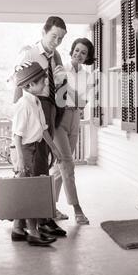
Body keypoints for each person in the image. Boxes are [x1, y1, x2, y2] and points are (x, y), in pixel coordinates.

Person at [14, 16, 68, 236]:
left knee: (44, 164)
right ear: (43, 32)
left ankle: (43, 217)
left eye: (61, 38)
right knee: (35, 167)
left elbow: (61, 86)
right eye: (54, 35)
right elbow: (19, 83)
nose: (57, 41)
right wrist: (17, 112)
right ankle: (37, 221)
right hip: (33, 105)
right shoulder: (29, 53)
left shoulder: (56, 56)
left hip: (49, 106)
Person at [11, 62, 62, 245]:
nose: (45, 84)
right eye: (42, 82)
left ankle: (17, 229)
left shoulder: (37, 102)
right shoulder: (23, 105)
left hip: (37, 147)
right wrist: (21, 159)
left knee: (30, 188)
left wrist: (54, 149)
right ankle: (32, 232)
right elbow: (17, 136)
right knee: (29, 191)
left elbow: (44, 129)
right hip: (26, 150)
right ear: (30, 85)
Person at [52, 37, 95, 224]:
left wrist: (67, 88)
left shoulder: (87, 76)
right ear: (72, 51)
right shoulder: (61, 70)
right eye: (77, 50)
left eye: (83, 52)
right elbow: (56, 97)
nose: (79, 54)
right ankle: (78, 210)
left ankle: (49, 208)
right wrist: (70, 91)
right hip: (59, 119)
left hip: (75, 118)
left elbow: (83, 102)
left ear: (87, 57)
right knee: (68, 165)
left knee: (59, 169)